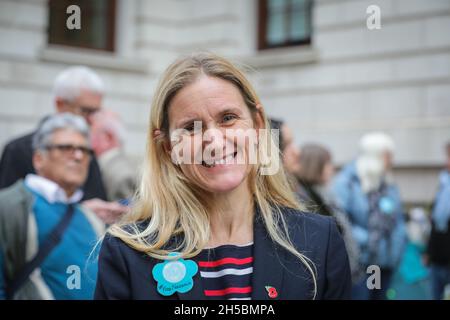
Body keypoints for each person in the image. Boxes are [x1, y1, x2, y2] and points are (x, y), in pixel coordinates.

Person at [94, 52, 351, 300]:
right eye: (190, 128)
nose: (215, 142)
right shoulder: (127, 253)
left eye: (228, 118)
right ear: (168, 147)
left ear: (258, 124)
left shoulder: (319, 240)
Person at [0, 66, 126, 224]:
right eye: (86, 111)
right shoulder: (18, 150)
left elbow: (94, 200)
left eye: (96, 112)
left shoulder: (88, 151)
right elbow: (6, 216)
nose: (92, 120)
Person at [0, 113, 105, 299]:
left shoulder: (91, 218)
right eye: (66, 148)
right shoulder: (9, 207)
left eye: (84, 150)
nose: (78, 156)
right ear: (38, 159)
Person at [333, 132, 406, 300]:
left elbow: (398, 220)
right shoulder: (347, 183)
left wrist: (397, 246)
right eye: (388, 155)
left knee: (378, 296)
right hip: (360, 264)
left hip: (383, 264)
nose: (392, 160)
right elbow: (340, 221)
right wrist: (370, 239)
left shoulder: (387, 184)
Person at [296, 144, 362, 283]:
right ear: (315, 165)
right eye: (328, 163)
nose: (332, 168)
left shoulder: (325, 194)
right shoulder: (308, 199)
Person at [90, 110, 137, 202]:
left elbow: (125, 214)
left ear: (108, 137)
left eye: (92, 133)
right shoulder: (110, 167)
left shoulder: (121, 175)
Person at [427, 142, 450, 299]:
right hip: (438, 259)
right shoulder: (444, 184)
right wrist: (429, 251)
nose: (446, 161)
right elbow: (436, 222)